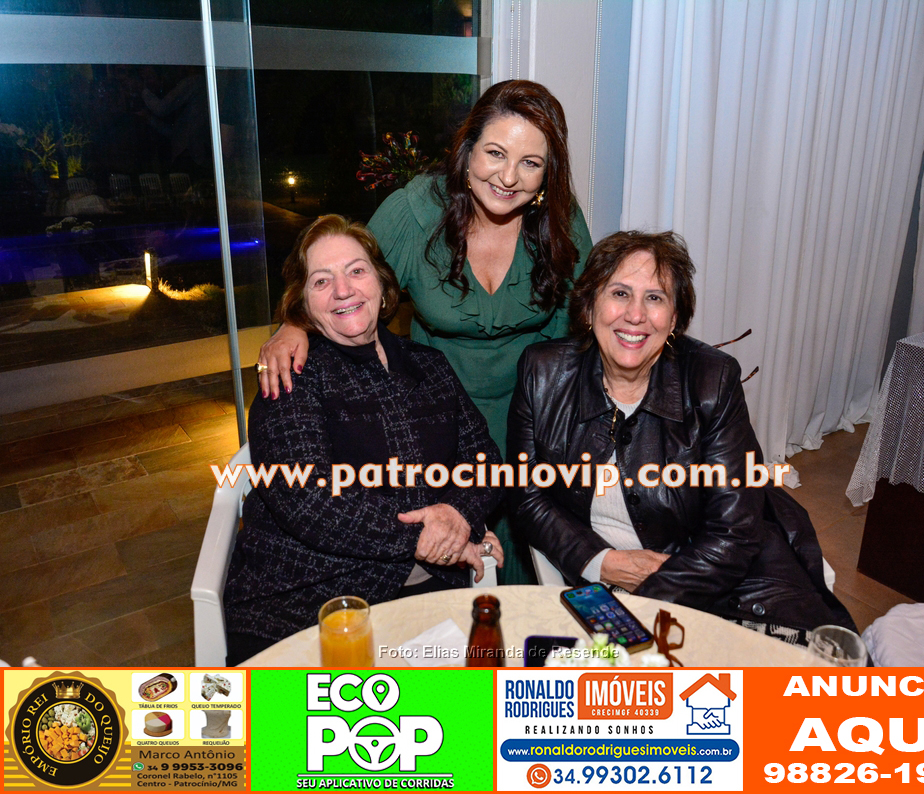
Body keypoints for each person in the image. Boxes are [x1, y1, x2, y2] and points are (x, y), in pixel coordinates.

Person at [255, 80, 594, 584]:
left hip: (533, 416)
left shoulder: (560, 220)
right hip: (439, 418)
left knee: (527, 568)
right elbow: (348, 281)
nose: (508, 177)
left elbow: (587, 325)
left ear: (549, 172)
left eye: (530, 162)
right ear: (467, 150)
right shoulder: (413, 213)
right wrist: (292, 325)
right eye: (495, 153)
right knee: (442, 554)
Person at [508, 231, 855, 636]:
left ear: (673, 320)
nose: (635, 315)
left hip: (721, 583)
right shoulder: (542, 373)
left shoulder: (712, 380)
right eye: (620, 293)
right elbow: (525, 496)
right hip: (606, 580)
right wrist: (603, 563)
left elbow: (734, 533)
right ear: (589, 306)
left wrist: (645, 603)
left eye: (655, 298)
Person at [224, 215, 504, 665]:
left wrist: (458, 516)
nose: (343, 290)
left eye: (356, 270)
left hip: (428, 585)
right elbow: (306, 499)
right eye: (321, 280)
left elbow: (485, 461)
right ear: (303, 304)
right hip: (306, 597)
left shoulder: (428, 364)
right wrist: (424, 534)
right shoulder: (291, 375)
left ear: (382, 283)